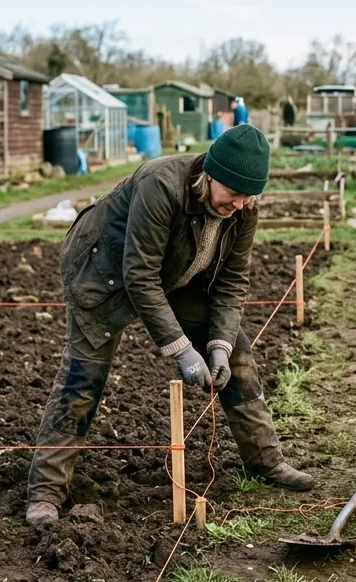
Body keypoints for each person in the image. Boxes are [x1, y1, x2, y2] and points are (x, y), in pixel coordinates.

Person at [25, 125, 313, 527]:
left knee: (240, 355)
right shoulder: (161, 185)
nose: (240, 203)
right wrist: (182, 350)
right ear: (209, 174)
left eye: (249, 196)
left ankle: (267, 462)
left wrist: (218, 346)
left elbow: (232, 281)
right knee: (83, 377)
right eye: (233, 193)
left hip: (173, 273)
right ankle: (46, 493)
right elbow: (138, 275)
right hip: (102, 272)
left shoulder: (244, 206)